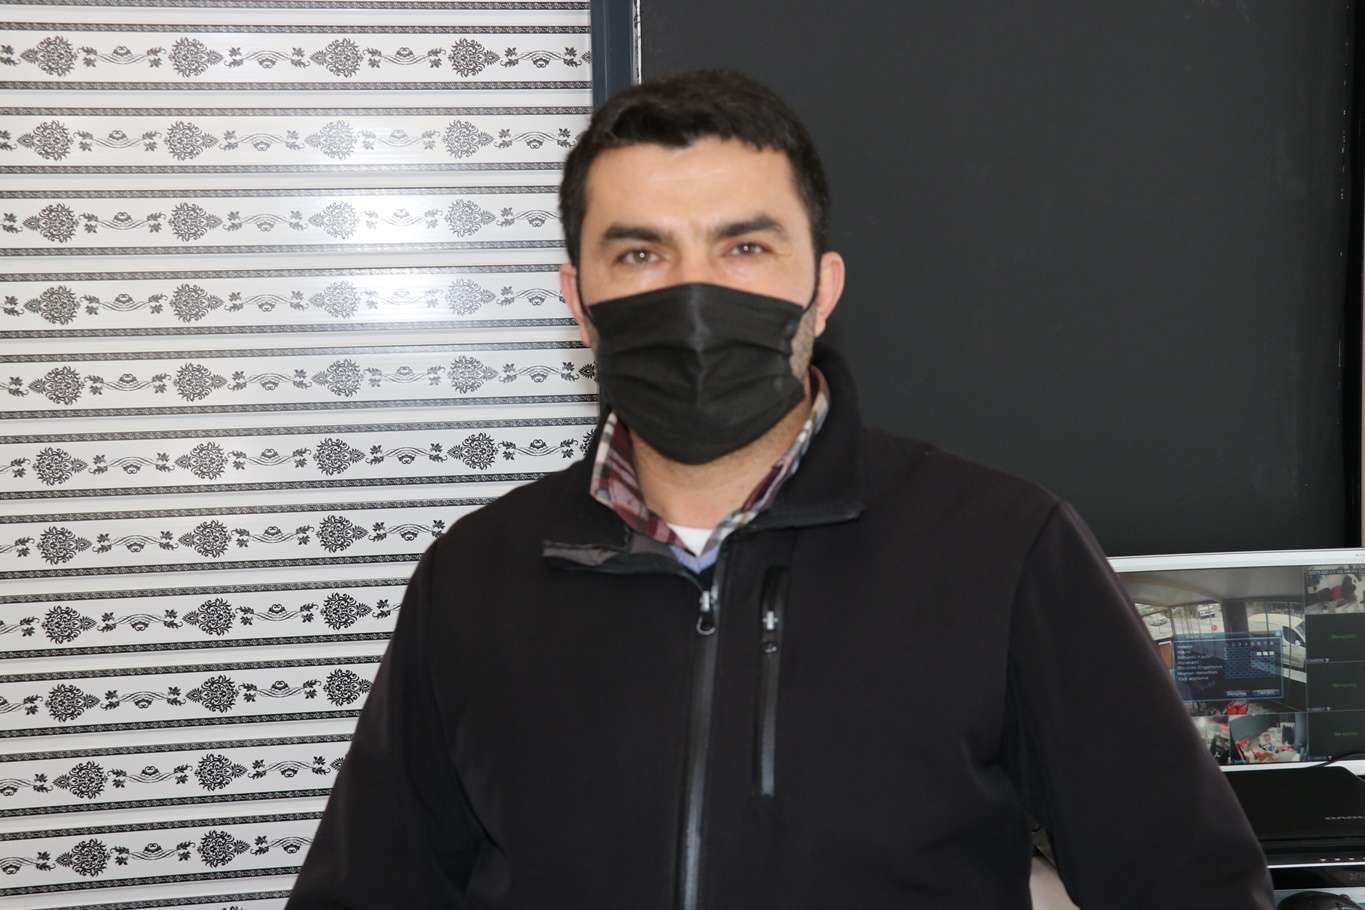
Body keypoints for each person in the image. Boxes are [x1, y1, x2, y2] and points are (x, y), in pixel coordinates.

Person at [286, 69, 1273, 909]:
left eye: (745, 247)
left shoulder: (1004, 549)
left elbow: (1190, 886)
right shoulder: (475, 576)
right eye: (640, 253)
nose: (694, 295)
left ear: (823, 288)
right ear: (578, 303)